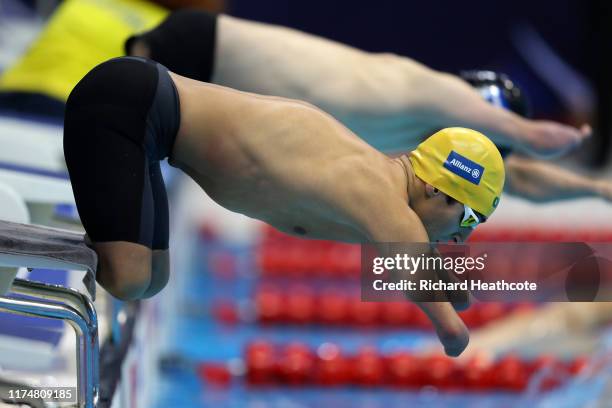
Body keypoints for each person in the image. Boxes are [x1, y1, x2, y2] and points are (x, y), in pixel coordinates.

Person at [63, 56, 505, 357]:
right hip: (128, 105)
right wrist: (477, 339)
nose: (465, 235)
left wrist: (470, 291)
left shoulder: (382, 191)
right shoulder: (376, 190)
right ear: (434, 188)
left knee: (150, 282)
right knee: (128, 276)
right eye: (468, 217)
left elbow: (436, 274)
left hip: (150, 130)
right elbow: (450, 330)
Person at [125, 10, 612, 204]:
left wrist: (595, 190)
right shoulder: (429, 91)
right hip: (206, 49)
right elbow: (532, 141)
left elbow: (521, 178)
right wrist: (575, 139)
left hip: (212, 76)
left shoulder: (427, 140)